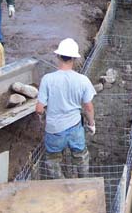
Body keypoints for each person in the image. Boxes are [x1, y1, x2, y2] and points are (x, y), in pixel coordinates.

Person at [36, 38, 96, 179]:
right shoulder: (82, 80)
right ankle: (83, 181)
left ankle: (60, 184)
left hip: (54, 129)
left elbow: (39, 108)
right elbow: (88, 107)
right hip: (75, 128)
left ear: (58, 56)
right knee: (80, 155)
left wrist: (43, 116)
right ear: (74, 58)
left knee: (53, 160)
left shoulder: (47, 79)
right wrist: (91, 124)